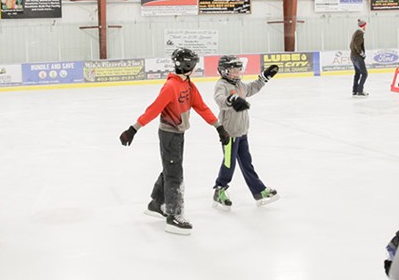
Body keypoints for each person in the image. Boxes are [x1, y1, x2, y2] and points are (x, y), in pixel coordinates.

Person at [119, 48, 229, 235]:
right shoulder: (171, 87)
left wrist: (218, 127)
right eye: (194, 64)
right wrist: (133, 129)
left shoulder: (188, 85)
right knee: (174, 175)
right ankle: (174, 216)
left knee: (171, 168)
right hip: (169, 134)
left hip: (178, 133)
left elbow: (201, 107)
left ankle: (156, 203)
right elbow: (153, 109)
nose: (195, 67)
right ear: (188, 65)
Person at [212, 55, 280, 210]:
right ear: (224, 71)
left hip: (242, 131)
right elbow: (220, 100)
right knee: (229, 164)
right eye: (233, 70)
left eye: (238, 69)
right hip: (229, 133)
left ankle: (259, 191)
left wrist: (264, 78)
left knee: (247, 163)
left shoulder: (240, 84)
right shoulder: (221, 85)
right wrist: (232, 100)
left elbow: (251, 88)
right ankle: (219, 190)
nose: (237, 72)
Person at [350, 19, 369, 96]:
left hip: (353, 56)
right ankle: (360, 90)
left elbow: (352, 45)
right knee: (364, 74)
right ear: (363, 26)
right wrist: (362, 53)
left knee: (357, 74)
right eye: (365, 25)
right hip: (357, 57)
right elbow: (356, 45)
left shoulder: (355, 33)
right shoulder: (360, 33)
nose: (366, 27)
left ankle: (354, 90)